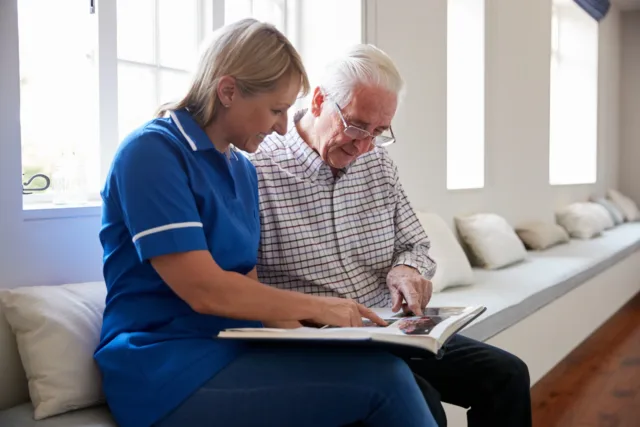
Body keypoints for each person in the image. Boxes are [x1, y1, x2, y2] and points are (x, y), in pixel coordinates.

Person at [94, 19, 438, 427]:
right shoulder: (151, 153)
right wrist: (324, 307)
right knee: (387, 383)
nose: (280, 126)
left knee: (386, 372)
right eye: (276, 110)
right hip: (165, 365)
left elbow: (251, 292)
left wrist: (336, 337)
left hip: (236, 347)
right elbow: (205, 290)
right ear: (228, 91)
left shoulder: (241, 168)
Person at [249, 44, 533, 427]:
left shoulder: (377, 162)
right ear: (319, 100)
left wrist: (406, 270)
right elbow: (242, 284)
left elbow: (414, 244)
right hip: (317, 339)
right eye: (356, 125)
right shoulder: (256, 167)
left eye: (379, 132)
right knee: (425, 404)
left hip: (390, 328)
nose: (364, 145)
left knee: (507, 375)